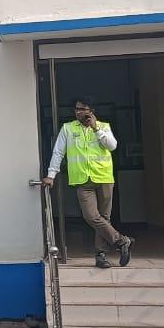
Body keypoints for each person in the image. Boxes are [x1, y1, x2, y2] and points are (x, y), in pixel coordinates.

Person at [42, 96, 134, 269]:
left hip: (104, 178)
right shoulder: (68, 128)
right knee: (91, 216)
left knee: (104, 217)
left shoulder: (103, 126)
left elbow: (112, 146)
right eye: (76, 109)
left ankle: (100, 256)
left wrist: (96, 128)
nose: (78, 112)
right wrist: (51, 175)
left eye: (82, 109)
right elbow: (58, 152)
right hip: (83, 180)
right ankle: (122, 241)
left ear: (91, 111)